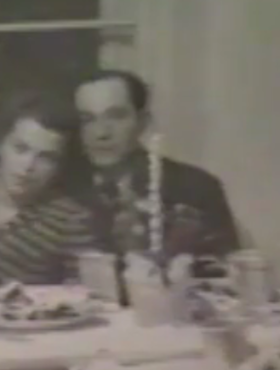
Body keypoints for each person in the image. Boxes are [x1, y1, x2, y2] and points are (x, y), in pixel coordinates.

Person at [74, 69, 238, 261]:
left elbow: (226, 274)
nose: (101, 133)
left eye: (116, 116)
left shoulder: (195, 187)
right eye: (87, 120)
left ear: (143, 121)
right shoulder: (67, 190)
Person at [0, 92, 97, 288]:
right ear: (0, 145)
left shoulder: (71, 219)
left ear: (60, 165)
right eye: (20, 149)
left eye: (46, 158)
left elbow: (87, 296)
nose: (28, 166)